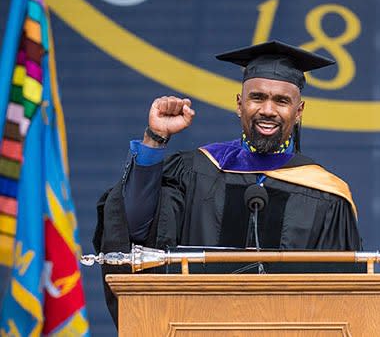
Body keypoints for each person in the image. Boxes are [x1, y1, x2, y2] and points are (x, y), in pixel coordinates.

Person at [93, 40, 362, 325]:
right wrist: (155, 139)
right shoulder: (196, 170)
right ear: (239, 104)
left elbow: (340, 298)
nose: (267, 109)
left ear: (298, 112)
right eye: (257, 97)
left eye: (281, 101)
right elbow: (134, 228)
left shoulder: (326, 194)